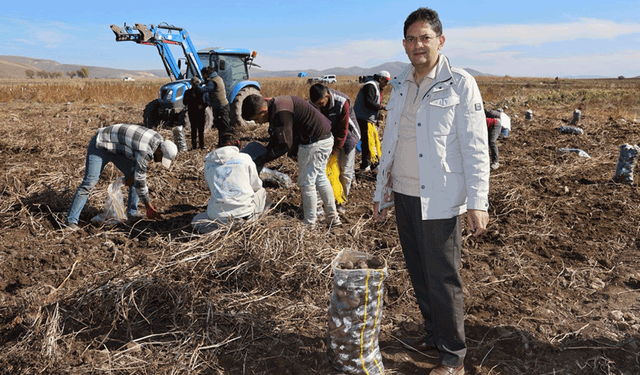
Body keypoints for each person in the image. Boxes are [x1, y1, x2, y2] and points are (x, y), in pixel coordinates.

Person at [372, 7, 490, 375]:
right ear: (404, 44)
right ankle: (432, 333)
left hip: (439, 196)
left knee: (442, 277)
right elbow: (391, 139)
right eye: (411, 38)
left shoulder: (459, 83)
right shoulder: (403, 82)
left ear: (441, 41)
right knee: (418, 271)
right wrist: (381, 192)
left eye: (425, 38)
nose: (417, 45)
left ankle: (453, 356)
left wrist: (477, 200)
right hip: (404, 193)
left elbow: (474, 145)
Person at [241, 94, 341, 226]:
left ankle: (310, 222)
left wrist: (262, 159)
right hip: (324, 138)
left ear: (263, 111)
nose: (257, 123)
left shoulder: (281, 111)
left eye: (256, 119)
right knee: (320, 177)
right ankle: (332, 217)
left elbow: (284, 145)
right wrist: (265, 152)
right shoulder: (276, 105)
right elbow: (278, 138)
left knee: (307, 183)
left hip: (315, 142)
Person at [65, 124, 178, 230]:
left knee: (133, 177)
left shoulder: (158, 139)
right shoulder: (145, 151)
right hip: (101, 144)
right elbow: (140, 180)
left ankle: (132, 213)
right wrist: (148, 206)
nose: (159, 161)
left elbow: (136, 170)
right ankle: (71, 221)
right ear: (160, 150)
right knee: (89, 182)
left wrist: (132, 178)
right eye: (161, 158)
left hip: (118, 148)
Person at [191, 136, 269, 233]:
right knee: (262, 191)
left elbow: (210, 187)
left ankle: (220, 229)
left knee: (196, 221)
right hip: (244, 214)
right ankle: (250, 223)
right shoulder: (245, 158)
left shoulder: (209, 162)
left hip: (218, 218)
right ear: (237, 144)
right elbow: (256, 185)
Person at [309, 83, 361, 212]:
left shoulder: (342, 101)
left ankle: (341, 201)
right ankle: (327, 198)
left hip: (348, 135)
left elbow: (343, 130)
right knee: (327, 170)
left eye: (321, 104)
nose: (319, 106)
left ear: (327, 96)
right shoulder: (313, 103)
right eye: (316, 105)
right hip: (328, 135)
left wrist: (333, 151)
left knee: (345, 171)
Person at [185, 67, 233, 150]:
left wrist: (197, 85)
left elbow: (204, 90)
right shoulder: (216, 78)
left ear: (206, 74)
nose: (202, 77)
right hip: (219, 106)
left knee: (224, 126)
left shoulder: (212, 82)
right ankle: (221, 144)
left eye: (203, 75)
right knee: (220, 126)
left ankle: (228, 144)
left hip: (221, 107)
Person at [353, 70, 390, 172]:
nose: (386, 84)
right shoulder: (370, 86)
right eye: (385, 81)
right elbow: (369, 102)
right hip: (363, 118)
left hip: (367, 118)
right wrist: (382, 107)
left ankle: (368, 164)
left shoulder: (375, 86)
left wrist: (377, 116)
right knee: (368, 141)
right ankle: (370, 165)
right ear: (380, 78)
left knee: (369, 141)